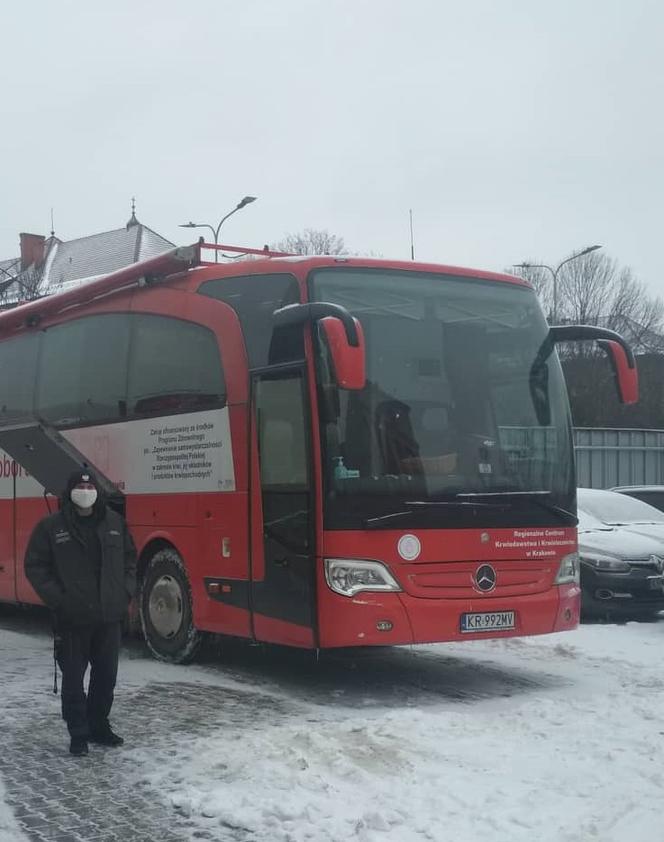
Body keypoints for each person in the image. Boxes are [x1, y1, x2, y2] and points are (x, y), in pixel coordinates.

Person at [24, 469, 137, 757]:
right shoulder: (51, 527)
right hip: (72, 618)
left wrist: (125, 592)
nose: (85, 490)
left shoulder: (114, 523)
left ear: (97, 490)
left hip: (108, 617)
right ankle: (78, 733)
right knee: (73, 679)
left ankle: (99, 726)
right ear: (70, 491)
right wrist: (59, 600)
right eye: (80, 486)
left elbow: (130, 561)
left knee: (106, 677)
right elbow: (36, 566)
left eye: (90, 485)